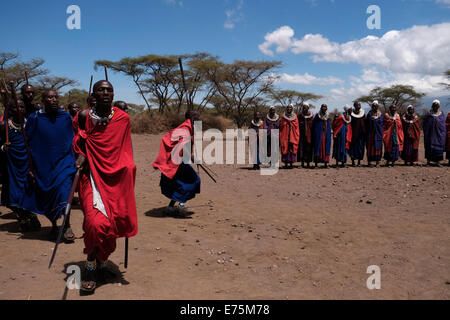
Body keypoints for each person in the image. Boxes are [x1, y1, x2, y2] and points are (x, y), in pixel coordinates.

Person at [73, 80, 138, 294]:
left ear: (113, 93)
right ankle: (90, 266)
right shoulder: (84, 116)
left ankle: (101, 261)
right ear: (94, 93)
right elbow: (80, 142)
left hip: (116, 178)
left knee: (113, 223)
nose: (105, 92)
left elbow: (124, 147)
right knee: (94, 223)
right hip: (91, 176)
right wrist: (81, 156)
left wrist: (128, 167)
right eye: (101, 89)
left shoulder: (123, 118)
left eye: (109, 89)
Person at [21, 89, 76, 241]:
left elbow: (72, 139)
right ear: (43, 100)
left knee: (65, 192)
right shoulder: (35, 118)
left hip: (64, 163)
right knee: (48, 196)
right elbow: (28, 142)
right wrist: (30, 166)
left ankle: (67, 225)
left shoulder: (65, 117)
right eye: (50, 97)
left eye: (56, 97)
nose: (54, 100)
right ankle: (53, 225)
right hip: (43, 165)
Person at [0, 99, 40, 232]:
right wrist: (3, 147)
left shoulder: (30, 124)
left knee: (28, 191)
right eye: (16, 108)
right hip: (11, 166)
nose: (20, 110)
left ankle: (30, 214)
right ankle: (22, 217)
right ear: (10, 110)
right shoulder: (4, 126)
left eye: (22, 107)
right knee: (13, 193)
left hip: (27, 165)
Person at [152, 110, 201, 215]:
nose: (198, 119)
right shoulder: (185, 128)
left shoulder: (188, 128)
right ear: (191, 118)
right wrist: (193, 158)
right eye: (196, 117)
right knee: (194, 180)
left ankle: (171, 207)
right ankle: (181, 205)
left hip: (180, 161)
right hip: (178, 162)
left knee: (179, 184)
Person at [423, 100, 446, 166]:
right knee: (429, 147)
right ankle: (428, 161)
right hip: (430, 134)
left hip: (439, 135)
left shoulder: (441, 114)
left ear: (439, 106)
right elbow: (425, 123)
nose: (435, 107)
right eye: (434, 105)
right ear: (432, 106)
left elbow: (443, 124)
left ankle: (438, 162)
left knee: (438, 148)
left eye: (437, 105)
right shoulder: (428, 114)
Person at [279, 104, 299, 169]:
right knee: (285, 149)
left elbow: (296, 126)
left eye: (290, 108)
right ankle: (286, 164)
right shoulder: (283, 117)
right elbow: (281, 126)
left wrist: (291, 125)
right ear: (286, 109)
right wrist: (286, 124)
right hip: (285, 135)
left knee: (291, 149)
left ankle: (291, 163)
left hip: (292, 135)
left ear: (292, 109)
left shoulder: (295, 117)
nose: (289, 109)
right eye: (288, 108)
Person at [312, 104, 332, 168]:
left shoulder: (328, 116)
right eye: (323, 107)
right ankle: (316, 164)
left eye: (325, 107)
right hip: (318, 135)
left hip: (326, 134)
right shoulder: (317, 116)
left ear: (326, 108)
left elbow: (328, 125)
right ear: (321, 108)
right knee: (318, 148)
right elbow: (314, 125)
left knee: (326, 147)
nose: (324, 108)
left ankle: (325, 163)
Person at [366, 101, 383, 167]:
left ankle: (377, 162)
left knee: (378, 147)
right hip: (370, 134)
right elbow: (367, 122)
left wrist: (375, 120)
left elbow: (381, 122)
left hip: (378, 133)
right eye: (373, 106)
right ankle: (369, 162)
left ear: (377, 106)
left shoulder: (380, 114)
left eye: (375, 106)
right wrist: (372, 120)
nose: (374, 107)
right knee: (370, 148)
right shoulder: (369, 114)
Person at [349, 101, 366, 166]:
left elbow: (365, 122)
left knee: (360, 147)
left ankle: (359, 161)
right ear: (354, 106)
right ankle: (353, 161)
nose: (359, 106)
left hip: (361, 134)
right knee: (353, 147)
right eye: (357, 105)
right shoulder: (351, 113)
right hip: (353, 134)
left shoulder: (363, 113)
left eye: (359, 105)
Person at [297, 103, 314, 168]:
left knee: (309, 149)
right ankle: (302, 163)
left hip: (310, 135)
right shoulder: (300, 115)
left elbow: (313, 125)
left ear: (308, 108)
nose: (305, 108)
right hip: (301, 135)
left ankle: (308, 163)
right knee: (301, 149)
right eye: (303, 107)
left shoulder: (311, 115)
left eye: (306, 107)